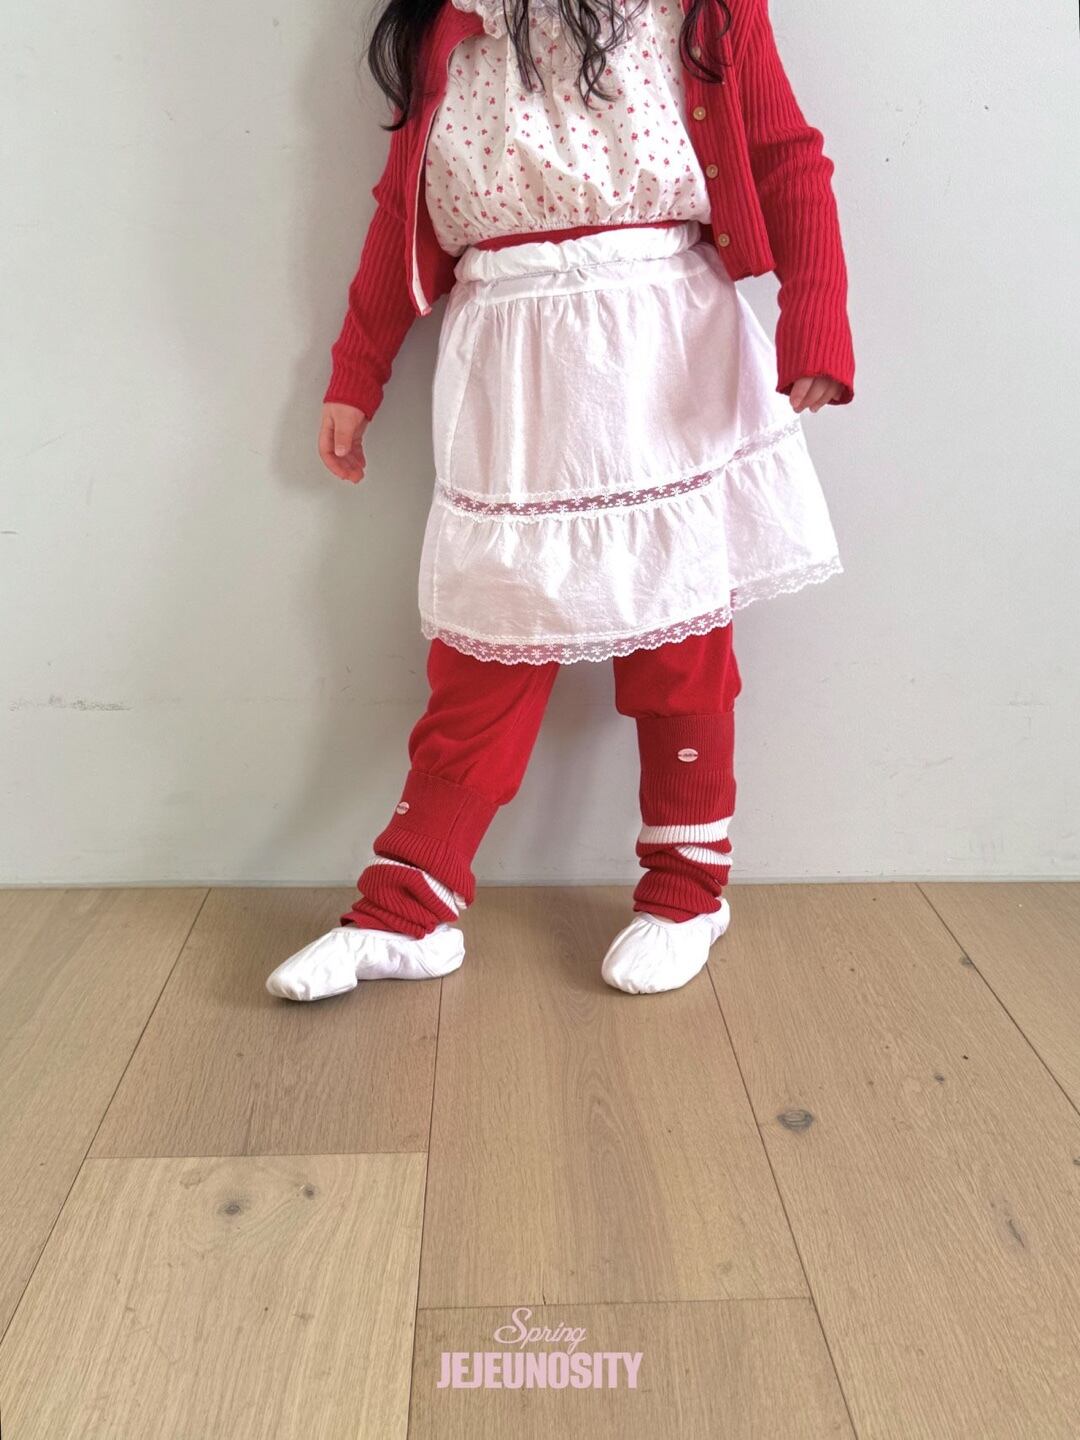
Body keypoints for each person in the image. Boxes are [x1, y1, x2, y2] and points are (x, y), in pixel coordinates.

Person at [266, 0, 854, 1001]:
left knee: (678, 632)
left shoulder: (700, 8)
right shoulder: (446, 23)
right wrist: (356, 372)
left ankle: (687, 890)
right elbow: (404, 210)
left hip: (662, 347)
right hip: (510, 366)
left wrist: (818, 315)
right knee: (489, 639)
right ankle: (409, 908)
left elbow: (785, 155)